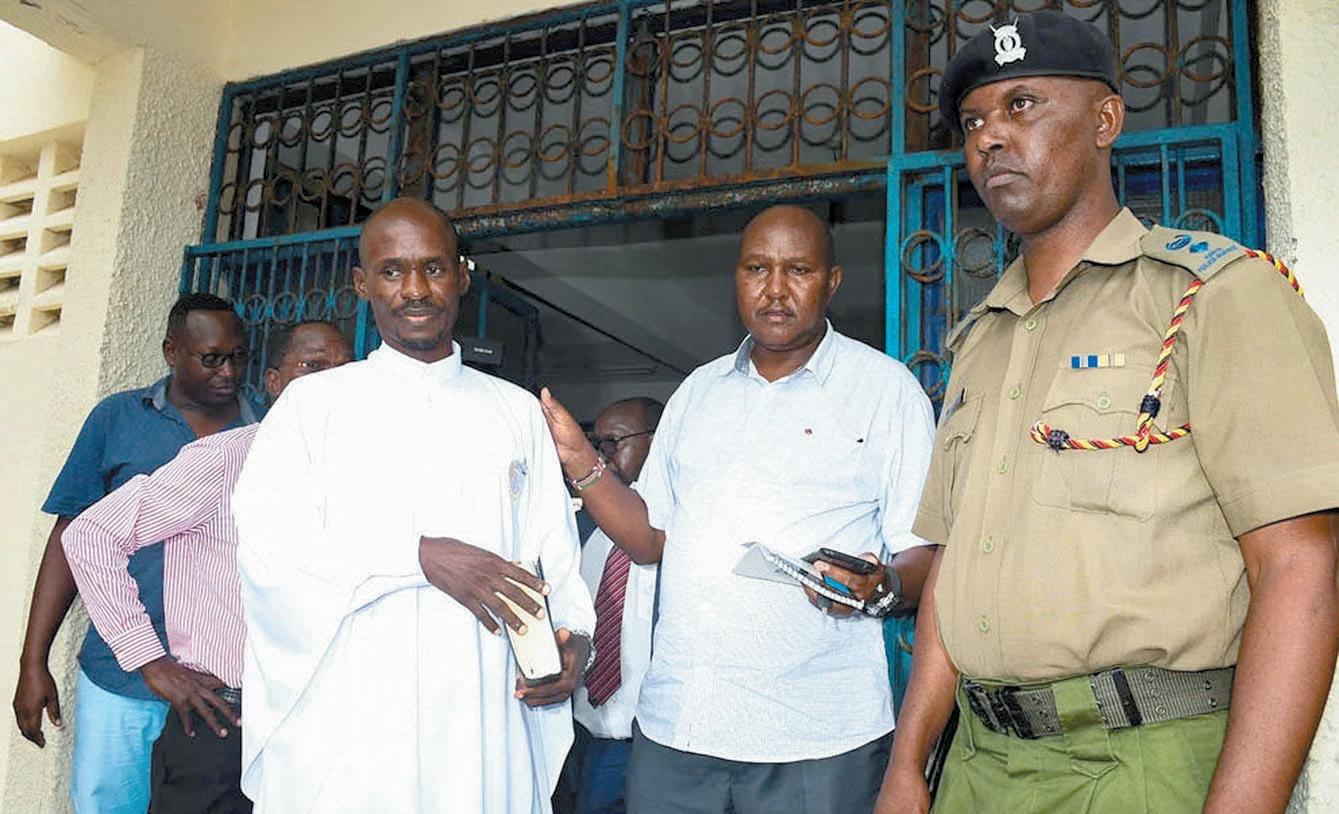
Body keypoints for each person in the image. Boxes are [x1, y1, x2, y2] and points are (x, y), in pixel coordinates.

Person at [874, 11, 1339, 814]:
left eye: (1021, 105)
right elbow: (956, 563)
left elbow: (1299, 568)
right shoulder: (979, 340)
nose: (989, 137)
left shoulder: (1211, 296)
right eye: (973, 121)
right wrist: (907, 763)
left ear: (1104, 121)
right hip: (977, 764)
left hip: (1142, 760)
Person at [540, 204, 937, 814]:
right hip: (677, 729)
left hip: (819, 739)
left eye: (798, 270)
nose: (775, 289)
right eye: (757, 269)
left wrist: (879, 585)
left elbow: (924, 556)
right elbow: (649, 539)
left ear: (831, 282)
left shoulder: (886, 391)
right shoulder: (697, 393)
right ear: (738, 278)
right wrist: (579, 460)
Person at [231, 197, 595, 813]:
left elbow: (554, 558)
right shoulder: (312, 407)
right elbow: (271, 548)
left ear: (462, 276)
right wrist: (420, 556)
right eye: (393, 271)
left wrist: (575, 642)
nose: (416, 289)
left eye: (433, 268)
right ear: (362, 284)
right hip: (353, 714)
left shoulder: (514, 412)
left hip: (482, 712)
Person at [60, 320, 353, 814]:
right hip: (224, 725)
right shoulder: (226, 460)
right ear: (274, 382)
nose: (332, 382)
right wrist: (148, 660)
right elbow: (91, 535)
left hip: (316, 728)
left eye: (345, 370)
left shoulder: (361, 472)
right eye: (313, 366)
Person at [12, 292, 257, 814]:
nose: (229, 372)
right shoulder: (117, 418)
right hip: (122, 677)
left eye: (239, 357)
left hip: (221, 689)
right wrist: (34, 661)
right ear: (171, 352)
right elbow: (72, 536)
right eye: (211, 358)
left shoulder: (265, 434)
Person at [564, 397, 664, 814]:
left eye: (613, 442)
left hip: (658, 746)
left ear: (656, 442)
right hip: (583, 738)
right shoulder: (577, 529)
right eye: (595, 444)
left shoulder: (680, 530)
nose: (601, 456)